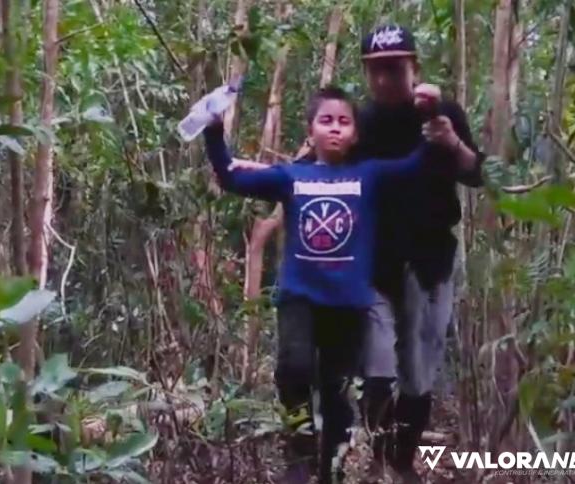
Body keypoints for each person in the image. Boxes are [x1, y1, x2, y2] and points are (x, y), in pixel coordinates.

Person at [201, 86, 432, 483]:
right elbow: (229, 178)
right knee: (293, 369)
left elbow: (417, 166)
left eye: (344, 122)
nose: (336, 129)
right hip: (300, 296)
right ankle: (300, 449)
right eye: (327, 121)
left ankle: (333, 469)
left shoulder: (369, 175)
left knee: (337, 390)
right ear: (311, 131)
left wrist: (431, 120)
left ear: (356, 134)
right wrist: (213, 131)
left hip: (348, 303)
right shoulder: (293, 176)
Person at [355, 25, 485, 483]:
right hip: (375, 263)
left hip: (432, 260)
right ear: (367, 74)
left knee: (419, 369)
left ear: (414, 68)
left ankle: (401, 461)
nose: (386, 80)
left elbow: (475, 174)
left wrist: (451, 141)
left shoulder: (442, 112)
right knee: (377, 367)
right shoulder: (360, 122)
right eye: (377, 71)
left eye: (395, 68)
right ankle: (376, 456)